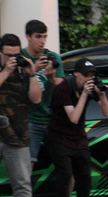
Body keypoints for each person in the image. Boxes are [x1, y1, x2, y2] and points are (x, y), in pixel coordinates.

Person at [48, 58, 108, 197]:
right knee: (65, 176)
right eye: (85, 75)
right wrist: (84, 94)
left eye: (92, 75)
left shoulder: (90, 87)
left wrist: (102, 94)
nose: (89, 79)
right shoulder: (64, 87)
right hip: (58, 137)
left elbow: (107, 112)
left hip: (78, 138)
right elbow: (74, 117)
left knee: (85, 177)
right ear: (76, 74)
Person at [0, 33, 41, 197]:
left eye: (15, 55)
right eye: (8, 55)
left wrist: (32, 74)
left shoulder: (24, 70)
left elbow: (36, 99)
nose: (12, 59)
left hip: (17, 133)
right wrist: (6, 71)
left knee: (22, 181)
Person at [22, 20, 65, 170]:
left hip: (51, 119)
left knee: (65, 164)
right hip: (30, 119)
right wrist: (33, 69)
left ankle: (66, 194)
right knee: (28, 163)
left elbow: (61, 90)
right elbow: (15, 88)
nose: (42, 41)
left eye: (45, 37)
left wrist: (51, 77)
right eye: (38, 36)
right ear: (28, 36)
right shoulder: (21, 57)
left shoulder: (52, 57)